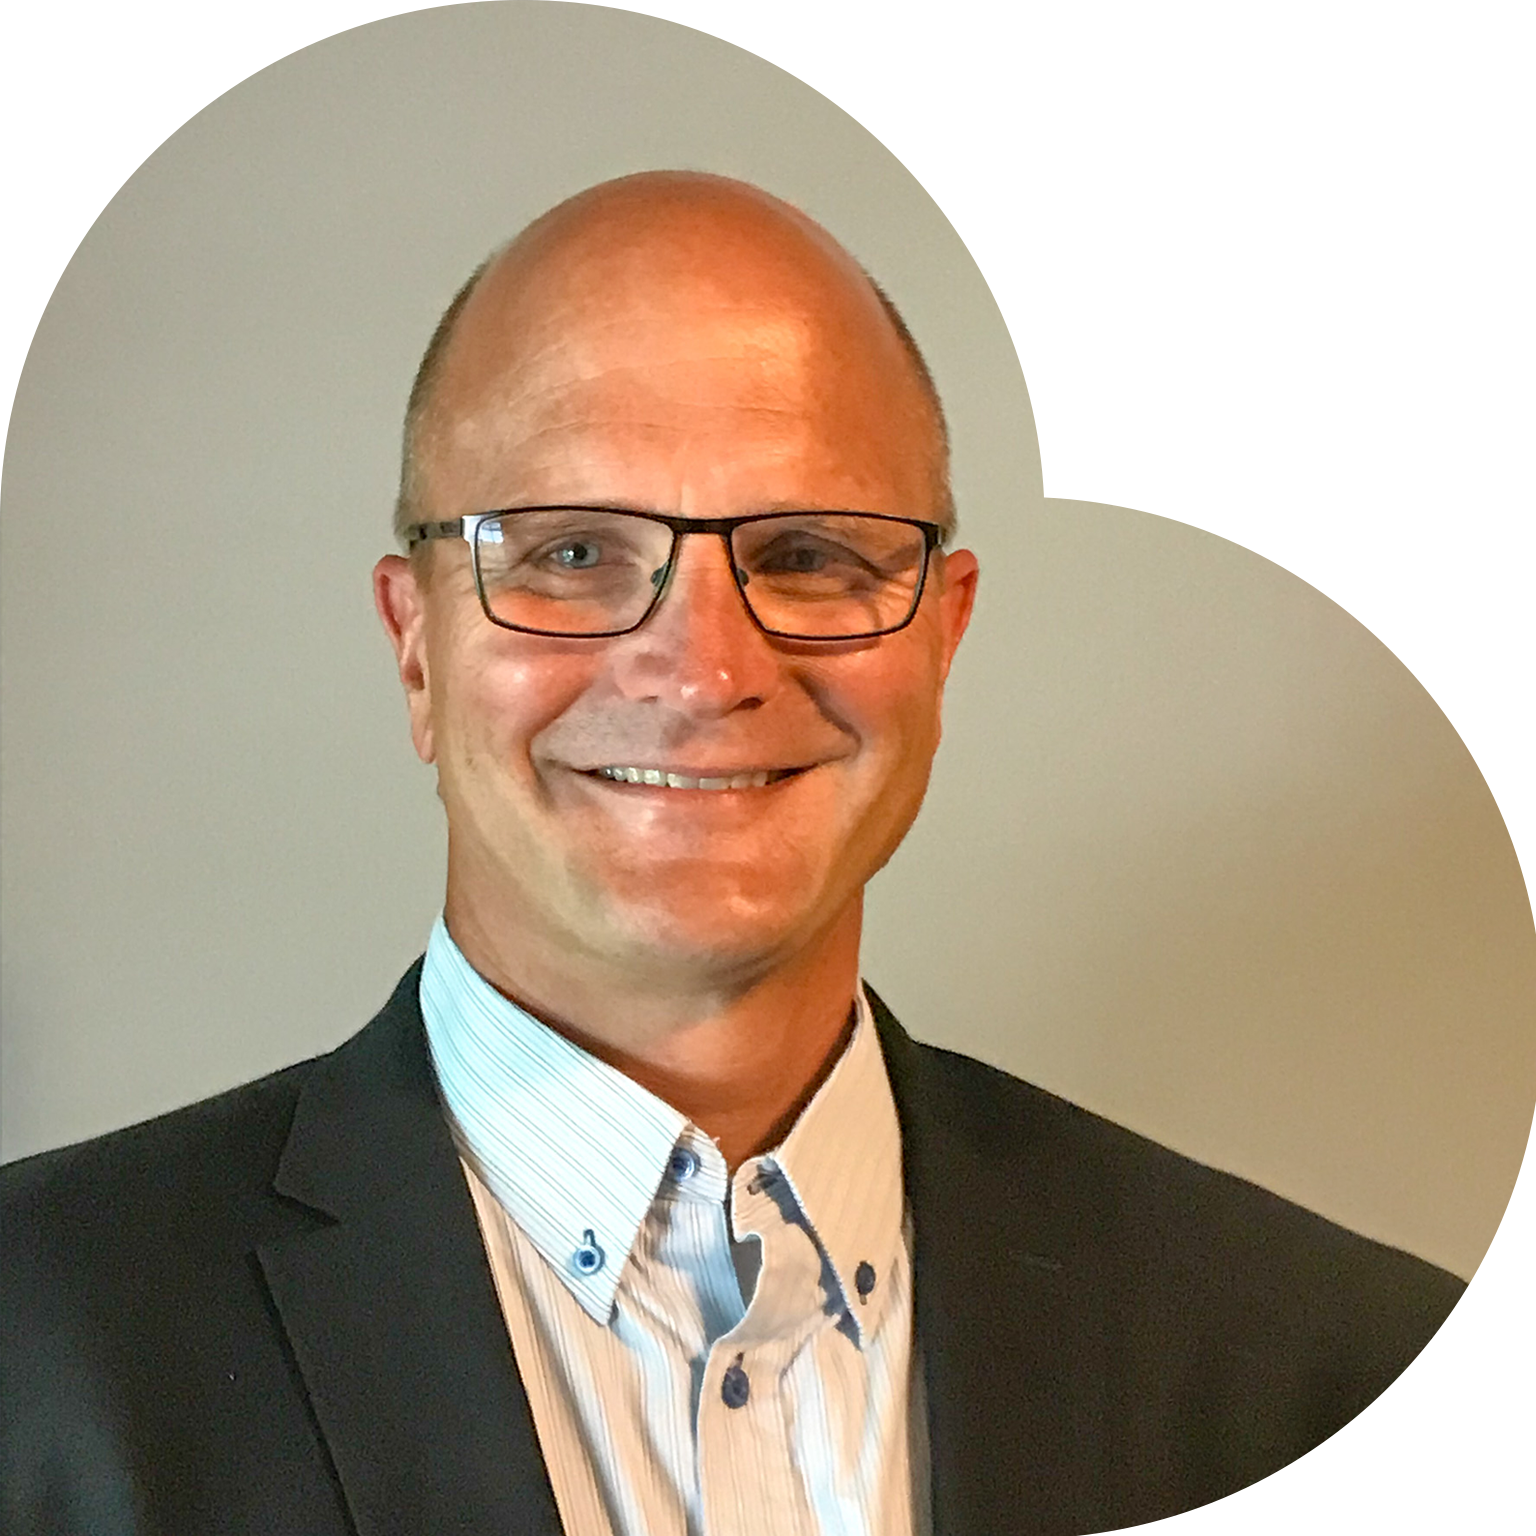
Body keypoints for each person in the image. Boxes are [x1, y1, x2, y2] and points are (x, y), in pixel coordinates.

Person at [2, 172, 1532, 1536]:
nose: (702, 667)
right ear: (418, 649)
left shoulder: (1377, 1400)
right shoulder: (37, 1355)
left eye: (807, 553)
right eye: (573, 553)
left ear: (942, 634)